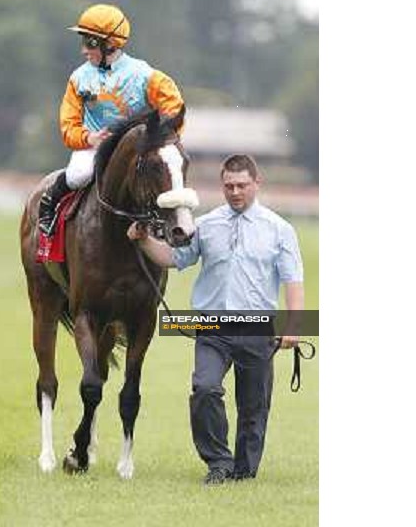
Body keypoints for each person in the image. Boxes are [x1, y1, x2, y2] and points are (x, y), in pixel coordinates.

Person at [127, 154, 304, 485]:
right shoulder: (205, 225)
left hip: (258, 327)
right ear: (221, 186)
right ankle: (219, 463)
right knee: (205, 388)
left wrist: (293, 326)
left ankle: (245, 471)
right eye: (229, 186)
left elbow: (293, 280)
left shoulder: (280, 229)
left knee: (253, 407)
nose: (235, 192)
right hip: (211, 327)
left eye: (242, 185)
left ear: (256, 183)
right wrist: (144, 240)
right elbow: (173, 258)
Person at [38, 3, 185, 235]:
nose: (84, 50)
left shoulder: (145, 75)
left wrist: (159, 139)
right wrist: (89, 138)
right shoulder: (78, 78)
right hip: (94, 147)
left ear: (110, 44)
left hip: (137, 149)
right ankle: (48, 204)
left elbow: (174, 106)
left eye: (90, 42)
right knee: (79, 175)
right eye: (83, 42)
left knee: (163, 172)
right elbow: (68, 126)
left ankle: (171, 224)